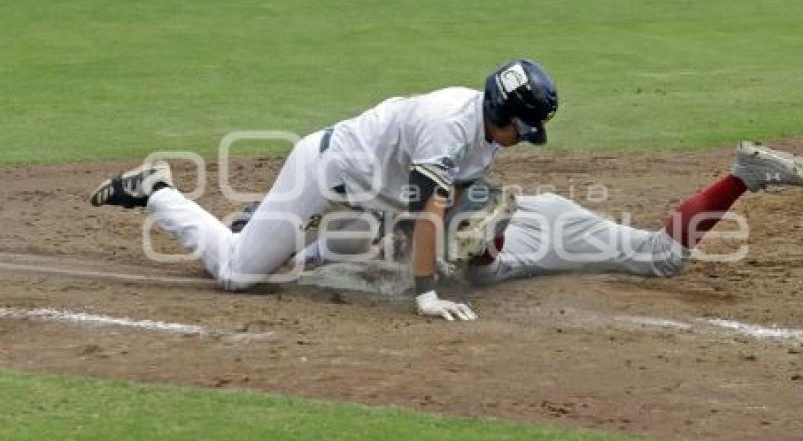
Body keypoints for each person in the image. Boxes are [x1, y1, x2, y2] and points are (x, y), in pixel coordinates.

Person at [89, 59, 559, 321]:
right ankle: (156, 190)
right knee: (238, 275)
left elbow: (452, 191)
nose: (523, 136)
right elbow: (426, 213)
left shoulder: (491, 135)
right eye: (521, 127)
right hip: (321, 174)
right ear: (499, 111)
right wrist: (426, 292)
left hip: (370, 196)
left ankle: (276, 239)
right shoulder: (448, 126)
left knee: (349, 245)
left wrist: (419, 246)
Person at [466, 142, 803, 284]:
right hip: (544, 210)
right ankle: (740, 176)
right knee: (659, 250)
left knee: (664, 258)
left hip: (538, 237)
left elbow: (481, 267)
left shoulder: (475, 260)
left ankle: (743, 175)